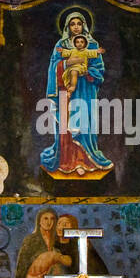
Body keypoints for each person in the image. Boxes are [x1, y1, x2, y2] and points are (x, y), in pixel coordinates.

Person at [40, 11, 114, 178]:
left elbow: (99, 69)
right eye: (72, 24)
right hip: (66, 89)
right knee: (66, 125)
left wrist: (87, 71)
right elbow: (53, 66)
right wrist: (68, 63)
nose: (76, 27)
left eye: (78, 24)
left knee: (84, 124)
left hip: (86, 89)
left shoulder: (92, 44)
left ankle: (84, 161)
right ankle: (66, 161)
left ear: (84, 25)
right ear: (67, 27)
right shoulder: (61, 44)